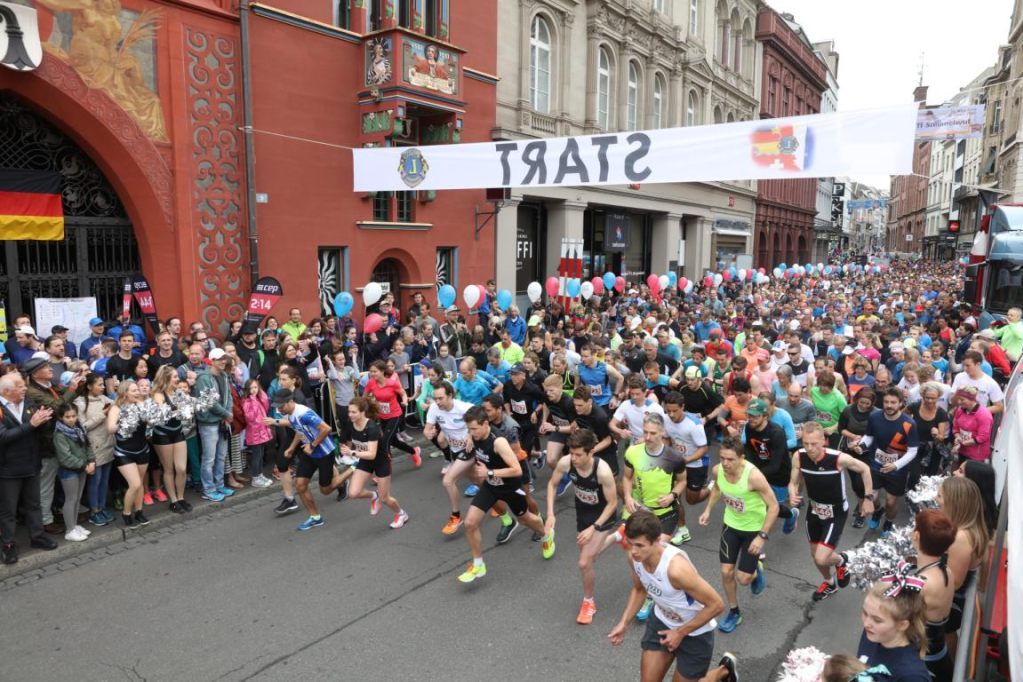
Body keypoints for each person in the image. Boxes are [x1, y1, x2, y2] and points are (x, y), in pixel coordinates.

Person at [608, 510, 726, 682]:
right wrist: (624, 623)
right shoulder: (635, 558)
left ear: (657, 541)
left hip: (695, 632)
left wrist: (679, 633)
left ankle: (722, 672)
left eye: (640, 545)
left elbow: (717, 605)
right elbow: (640, 589)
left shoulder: (676, 570)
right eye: (630, 543)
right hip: (662, 621)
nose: (633, 551)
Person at [456, 405, 552, 584]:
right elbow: (473, 434)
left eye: (474, 429)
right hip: (490, 486)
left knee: (526, 520)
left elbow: (516, 469)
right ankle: (478, 565)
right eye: (469, 429)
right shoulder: (475, 434)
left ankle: (546, 535)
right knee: (470, 523)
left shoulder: (498, 442)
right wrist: (470, 436)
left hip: (510, 487)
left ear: (486, 424)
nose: (472, 433)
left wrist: (490, 473)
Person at [698, 438, 779, 633]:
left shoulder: (754, 477)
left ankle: (755, 569)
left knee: (743, 579)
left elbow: (774, 506)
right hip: (731, 525)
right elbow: (717, 488)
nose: (725, 463)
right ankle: (735, 612)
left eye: (730, 459)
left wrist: (762, 537)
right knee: (726, 572)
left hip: (753, 530)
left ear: (742, 458)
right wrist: (708, 509)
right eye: (722, 458)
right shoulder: (719, 471)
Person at [788, 421, 874, 601]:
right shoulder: (799, 456)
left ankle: (842, 560)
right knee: (815, 555)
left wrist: (867, 499)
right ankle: (830, 582)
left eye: (814, 444)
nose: (809, 448)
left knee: (821, 557)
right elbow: (793, 481)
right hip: (814, 510)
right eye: (805, 443)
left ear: (824, 441)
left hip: (836, 513)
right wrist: (792, 492)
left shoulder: (837, 458)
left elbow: (865, 469)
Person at [545, 428, 618, 624]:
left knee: (584, 562)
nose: (573, 458)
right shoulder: (566, 462)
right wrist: (551, 514)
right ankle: (619, 536)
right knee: (588, 553)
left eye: (578, 454)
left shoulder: (602, 472)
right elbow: (552, 485)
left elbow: (612, 503)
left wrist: (594, 527)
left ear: (591, 452)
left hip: (603, 516)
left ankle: (589, 602)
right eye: (571, 453)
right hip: (582, 512)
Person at [620, 413, 688, 621]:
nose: (648, 437)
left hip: (665, 514)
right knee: (633, 556)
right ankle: (643, 587)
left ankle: (651, 596)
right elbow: (627, 477)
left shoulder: (674, 458)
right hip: (640, 511)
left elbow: (682, 482)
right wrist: (628, 497)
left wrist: (672, 495)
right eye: (645, 432)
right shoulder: (633, 452)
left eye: (653, 433)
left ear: (663, 433)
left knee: (652, 554)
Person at [274, 388, 352, 531]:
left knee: (325, 490)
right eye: (277, 407)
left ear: (290, 402)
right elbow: (300, 430)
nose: (279, 409)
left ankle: (352, 469)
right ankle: (315, 518)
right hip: (309, 454)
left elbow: (326, 428)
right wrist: (291, 447)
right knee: (300, 485)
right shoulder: (290, 414)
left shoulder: (304, 413)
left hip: (324, 453)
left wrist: (312, 445)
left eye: (281, 406)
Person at [0, 373, 58, 563]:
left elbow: (40, 429)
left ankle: (37, 536)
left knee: (34, 504)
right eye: (19, 386)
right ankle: (8, 544)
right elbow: (4, 437)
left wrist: (44, 420)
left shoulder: (28, 402)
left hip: (31, 463)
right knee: (8, 510)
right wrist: (32, 424)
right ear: (7, 391)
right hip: (8, 469)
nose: (25, 388)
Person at [853, 387, 919, 536]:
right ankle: (877, 512)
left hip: (897, 470)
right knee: (873, 497)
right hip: (875, 464)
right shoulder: (874, 417)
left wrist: (896, 465)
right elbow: (869, 436)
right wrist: (862, 446)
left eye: (893, 402)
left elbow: (913, 451)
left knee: (890, 501)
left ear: (901, 403)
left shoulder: (909, 424)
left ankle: (888, 521)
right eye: (886, 402)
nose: (889, 405)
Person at [339, 397, 407, 529]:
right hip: (365, 461)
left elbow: (371, 454)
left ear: (363, 412)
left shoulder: (372, 428)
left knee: (385, 498)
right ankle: (373, 495)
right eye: (349, 411)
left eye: (354, 412)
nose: (350, 415)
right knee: (353, 493)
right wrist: (345, 449)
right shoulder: (349, 423)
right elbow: (348, 442)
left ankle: (401, 514)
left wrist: (351, 453)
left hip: (381, 463)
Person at [911, 509, 958, 682]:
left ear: (916, 535)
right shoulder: (946, 570)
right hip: (938, 655)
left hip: (925, 664)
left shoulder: (922, 584)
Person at [741, 398, 800, 534]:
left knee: (773, 507)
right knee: (760, 506)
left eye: (755, 416)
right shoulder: (750, 427)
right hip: (760, 470)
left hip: (779, 476)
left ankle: (791, 515)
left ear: (765, 416)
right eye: (749, 415)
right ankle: (756, 541)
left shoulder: (776, 433)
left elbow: (775, 465)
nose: (751, 419)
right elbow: (749, 449)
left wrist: (753, 475)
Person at [424, 381, 474, 534]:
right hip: (455, 449)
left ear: (450, 396)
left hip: (470, 449)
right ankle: (500, 508)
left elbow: (482, 420)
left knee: (448, 480)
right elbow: (426, 430)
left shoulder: (464, 408)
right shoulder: (434, 408)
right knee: (479, 480)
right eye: (435, 398)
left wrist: (471, 436)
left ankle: (456, 516)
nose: (437, 402)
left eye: (440, 398)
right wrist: (428, 433)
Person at [857, 578, 930, 682]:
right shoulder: (873, 634)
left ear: (902, 625)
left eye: (877, 620)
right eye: (865, 613)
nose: (866, 623)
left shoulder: (911, 675)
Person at [661, 391, 710, 545]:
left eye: (675, 410)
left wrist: (687, 459)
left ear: (683, 407)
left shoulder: (694, 425)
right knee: (675, 496)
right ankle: (683, 531)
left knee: (692, 500)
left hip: (696, 464)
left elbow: (704, 448)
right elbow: (668, 438)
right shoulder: (666, 420)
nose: (671, 414)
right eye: (668, 411)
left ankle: (711, 488)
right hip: (678, 464)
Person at [106, 381, 153, 529]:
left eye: (137, 390)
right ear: (125, 392)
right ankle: (126, 513)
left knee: (139, 486)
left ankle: (139, 512)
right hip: (124, 452)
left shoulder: (141, 405)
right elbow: (110, 428)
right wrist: (124, 421)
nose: (138, 392)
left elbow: (151, 421)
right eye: (134, 391)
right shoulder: (116, 408)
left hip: (142, 449)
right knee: (135, 484)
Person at [74, 373, 115, 527]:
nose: (102, 387)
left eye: (103, 384)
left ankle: (102, 507)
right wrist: (102, 415)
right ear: (89, 386)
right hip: (93, 447)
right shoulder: (80, 403)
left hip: (107, 444)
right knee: (95, 481)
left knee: (104, 480)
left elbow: (118, 403)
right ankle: (94, 511)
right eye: (99, 384)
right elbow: (82, 426)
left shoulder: (104, 398)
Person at [363, 359, 421, 468]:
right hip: (382, 416)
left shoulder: (392, 383)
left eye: (375, 371)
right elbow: (364, 396)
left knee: (384, 441)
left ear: (382, 371)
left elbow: (403, 393)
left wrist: (404, 401)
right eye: (371, 372)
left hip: (395, 415)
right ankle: (414, 451)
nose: (372, 374)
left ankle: (384, 471)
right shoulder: (371, 383)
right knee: (393, 441)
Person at [149, 366, 192, 512]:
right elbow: (162, 412)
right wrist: (180, 409)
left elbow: (189, 404)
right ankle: (173, 501)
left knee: (181, 468)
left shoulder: (178, 392)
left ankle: (181, 497)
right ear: (167, 378)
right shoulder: (158, 394)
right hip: (162, 434)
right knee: (168, 469)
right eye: (174, 377)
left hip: (177, 431)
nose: (177, 379)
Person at [52, 403, 95, 542]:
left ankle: (74, 525)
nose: (71, 419)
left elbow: (87, 445)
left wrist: (91, 460)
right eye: (67, 417)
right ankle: (69, 530)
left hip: (82, 467)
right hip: (69, 471)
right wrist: (85, 465)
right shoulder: (59, 434)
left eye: (74, 416)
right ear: (60, 417)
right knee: (70, 499)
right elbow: (65, 457)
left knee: (77, 498)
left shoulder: (79, 428)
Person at [838, 387, 878, 527]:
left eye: (868, 404)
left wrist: (863, 442)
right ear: (857, 400)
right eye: (862, 402)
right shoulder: (848, 410)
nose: (864, 406)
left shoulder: (876, 414)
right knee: (855, 483)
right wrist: (853, 437)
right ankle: (862, 502)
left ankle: (861, 512)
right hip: (850, 449)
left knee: (862, 482)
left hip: (868, 453)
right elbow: (841, 429)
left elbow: (877, 433)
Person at [241, 378, 275, 488]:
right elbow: (249, 417)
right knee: (256, 456)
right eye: (251, 388)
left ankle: (260, 475)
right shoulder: (246, 401)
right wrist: (254, 402)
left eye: (255, 387)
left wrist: (260, 396)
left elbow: (266, 406)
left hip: (262, 430)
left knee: (260, 455)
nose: (253, 390)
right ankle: (255, 478)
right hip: (254, 432)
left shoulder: (259, 398)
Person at [950, 386, 993, 465]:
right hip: (962, 451)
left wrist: (962, 443)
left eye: (962, 399)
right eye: (958, 399)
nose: (959, 402)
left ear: (972, 399)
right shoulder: (960, 409)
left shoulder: (984, 414)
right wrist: (958, 437)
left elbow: (982, 437)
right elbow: (955, 428)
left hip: (976, 455)